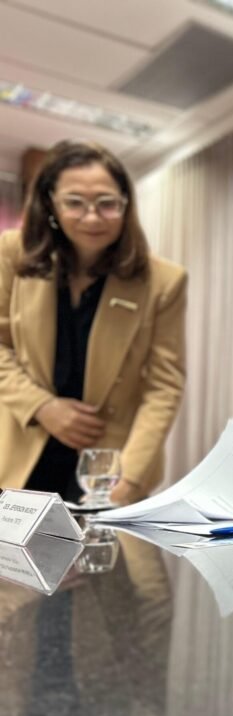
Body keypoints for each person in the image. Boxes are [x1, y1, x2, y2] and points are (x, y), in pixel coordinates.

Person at [0, 140, 187, 505]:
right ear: (50, 203)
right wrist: (42, 406)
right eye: (74, 202)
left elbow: (163, 386)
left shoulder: (164, 281)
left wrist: (129, 478)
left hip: (109, 463)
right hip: (21, 447)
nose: (92, 217)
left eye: (106, 203)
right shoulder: (12, 252)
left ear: (125, 204)